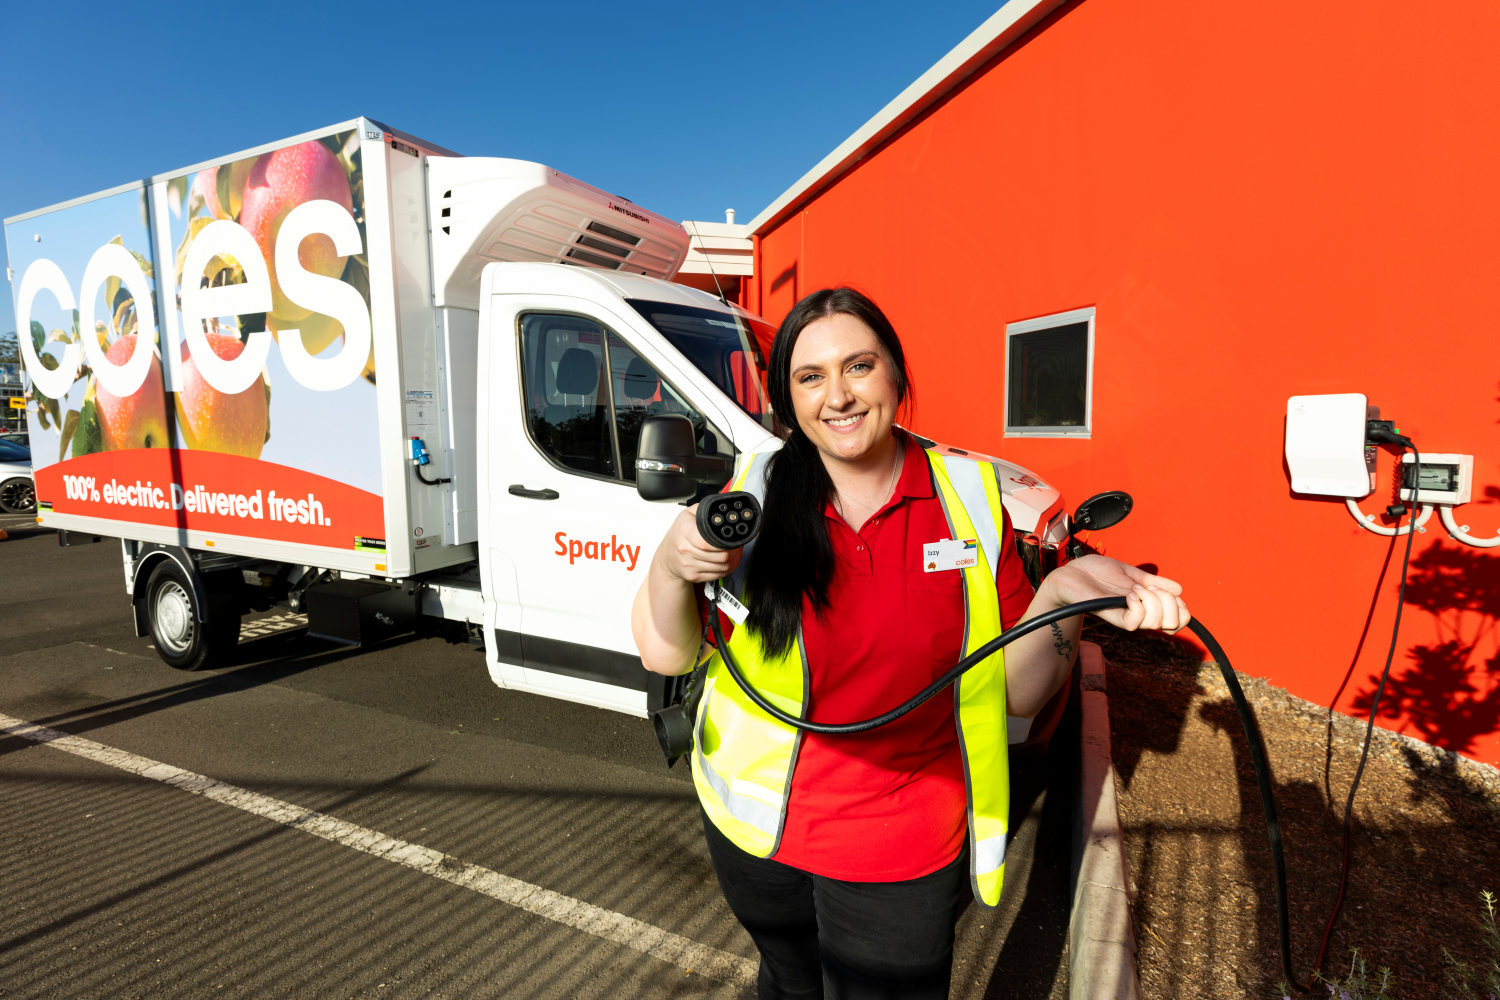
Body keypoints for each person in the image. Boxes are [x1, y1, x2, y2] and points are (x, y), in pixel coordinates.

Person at [631, 287, 1188, 1000]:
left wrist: (1062, 595)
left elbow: (1018, 691)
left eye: (858, 366)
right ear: (788, 399)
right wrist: (671, 566)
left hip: (901, 847)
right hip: (756, 835)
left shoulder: (973, 499)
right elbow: (669, 655)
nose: (838, 395)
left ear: (895, 375)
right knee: (786, 985)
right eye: (810, 377)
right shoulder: (757, 493)